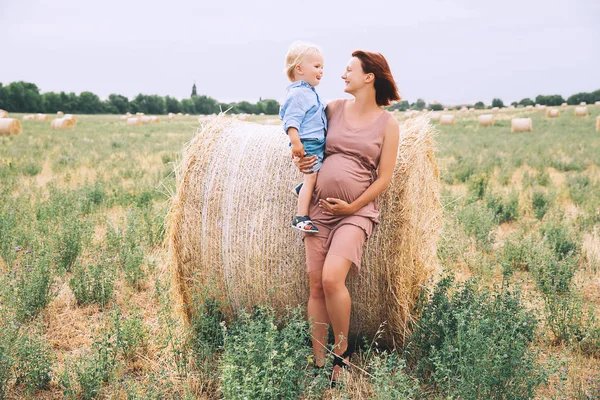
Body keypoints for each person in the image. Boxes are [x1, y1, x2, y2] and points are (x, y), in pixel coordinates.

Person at [293, 50, 400, 384]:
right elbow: (310, 142)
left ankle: (342, 356)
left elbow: (383, 179)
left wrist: (353, 208)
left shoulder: (388, 124)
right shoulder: (332, 109)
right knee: (315, 284)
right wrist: (301, 160)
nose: (342, 75)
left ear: (369, 77)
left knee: (331, 279)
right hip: (319, 210)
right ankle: (319, 361)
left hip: (356, 214)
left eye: (349, 69)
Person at [279, 41, 327, 233]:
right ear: (299, 69)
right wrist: (296, 144)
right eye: (316, 66)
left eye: (322, 67)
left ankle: (302, 190)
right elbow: (291, 121)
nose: (321, 71)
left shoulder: (308, 92)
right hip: (308, 144)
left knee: (316, 176)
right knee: (311, 177)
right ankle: (301, 217)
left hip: (316, 142)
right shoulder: (299, 94)